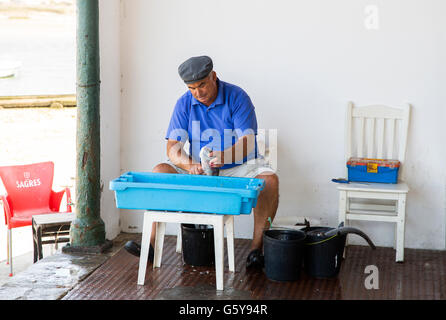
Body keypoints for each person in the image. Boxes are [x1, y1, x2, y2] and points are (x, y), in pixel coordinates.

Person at [124, 56, 279, 270]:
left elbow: (248, 142)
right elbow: (173, 148)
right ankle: (150, 246)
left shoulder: (237, 97)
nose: (198, 93)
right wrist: (189, 165)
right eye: (192, 88)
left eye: (202, 85)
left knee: (269, 181)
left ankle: (255, 251)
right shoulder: (184, 103)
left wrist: (224, 156)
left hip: (237, 166)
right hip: (199, 169)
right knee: (160, 170)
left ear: (213, 77)